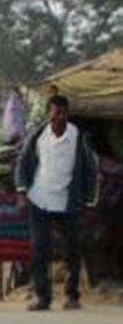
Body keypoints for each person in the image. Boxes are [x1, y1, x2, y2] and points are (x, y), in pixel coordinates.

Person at [14, 94, 98, 311]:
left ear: (68, 114)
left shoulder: (78, 137)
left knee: (71, 250)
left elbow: (91, 169)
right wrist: (22, 190)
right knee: (40, 250)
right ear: (48, 114)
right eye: (55, 113)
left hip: (68, 202)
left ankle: (72, 296)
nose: (59, 118)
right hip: (40, 199)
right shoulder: (37, 136)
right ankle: (42, 297)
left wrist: (89, 202)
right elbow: (22, 162)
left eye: (63, 113)